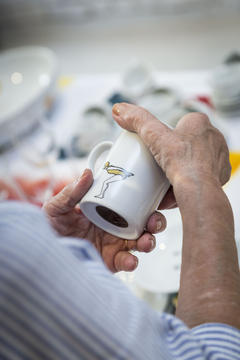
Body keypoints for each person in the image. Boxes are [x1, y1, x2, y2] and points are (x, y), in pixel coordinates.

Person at [0, 103, 240, 359]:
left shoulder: (16, 236)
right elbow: (214, 352)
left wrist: (62, 254)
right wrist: (196, 178)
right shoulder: (10, 251)